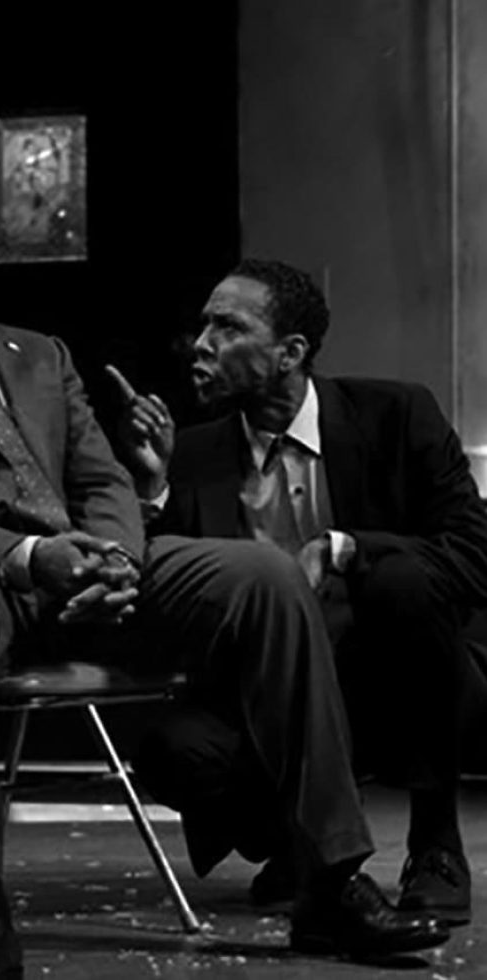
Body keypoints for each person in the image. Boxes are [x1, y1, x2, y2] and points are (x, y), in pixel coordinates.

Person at [0, 153, 448, 979]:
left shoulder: (39, 353)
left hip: (86, 571)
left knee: (266, 577)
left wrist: (115, 560)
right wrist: (34, 557)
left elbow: (101, 477)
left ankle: (328, 882)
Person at [107, 256, 487, 931]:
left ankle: (435, 847)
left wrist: (345, 549)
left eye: (227, 328)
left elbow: (473, 555)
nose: (202, 345)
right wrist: (152, 492)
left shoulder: (397, 414)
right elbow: (156, 608)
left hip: (394, 674)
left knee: (399, 577)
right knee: (174, 748)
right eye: (203, 326)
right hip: (272, 698)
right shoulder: (190, 454)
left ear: (290, 354)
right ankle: (304, 849)